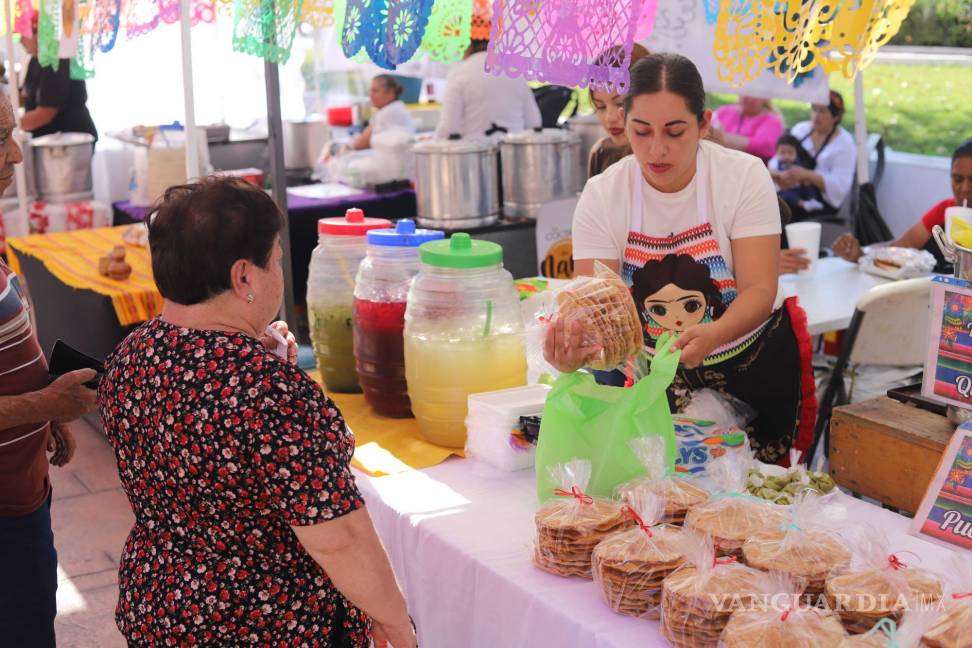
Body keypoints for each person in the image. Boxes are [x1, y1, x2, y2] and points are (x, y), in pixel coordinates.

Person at [98, 177, 416, 647]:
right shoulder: (268, 393)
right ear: (243, 277)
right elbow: (337, 535)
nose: (279, 275)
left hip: (160, 607)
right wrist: (391, 617)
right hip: (265, 624)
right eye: (277, 262)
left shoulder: (130, 353)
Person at [547, 53, 815, 464]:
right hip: (648, 375)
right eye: (641, 132)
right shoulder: (604, 195)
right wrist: (575, 349)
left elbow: (760, 288)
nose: (657, 150)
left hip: (748, 368)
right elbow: (596, 313)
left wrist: (715, 332)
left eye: (675, 132)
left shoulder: (742, 176)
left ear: (704, 124)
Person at [0, 92, 99, 646]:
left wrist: (46, 415)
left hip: (24, 496)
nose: (16, 155)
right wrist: (43, 406)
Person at [833, 139, 972, 270]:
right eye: (958, 179)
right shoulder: (945, 211)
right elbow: (901, 248)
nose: (965, 188)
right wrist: (859, 254)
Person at [770, 90, 855, 223]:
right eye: (814, 109)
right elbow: (777, 158)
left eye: (823, 111)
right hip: (790, 189)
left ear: (836, 117)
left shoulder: (845, 143)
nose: (816, 115)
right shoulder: (800, 130)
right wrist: (781, 176)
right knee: (769, 205)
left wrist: (808, 175)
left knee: (784, 213)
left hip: (820, 200)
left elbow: (840, 187)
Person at [434, 40, 542, 139]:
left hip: (475, 155)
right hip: (513, 153)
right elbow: (534, 122)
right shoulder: (514, 72)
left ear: (467, 45)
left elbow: (449, 129)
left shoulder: (458, 73)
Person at [19, 15, 98, 140]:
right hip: (48, 140)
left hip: (69, 141)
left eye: (23, 35)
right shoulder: (35, 60)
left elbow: (45, 114)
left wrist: (8, 126)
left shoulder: (57, 59)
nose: (21, 42)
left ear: (38, 33)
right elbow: (23, 96)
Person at [587, 44, 651, 177]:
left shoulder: (682, 152)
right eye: (601, 107)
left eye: (620, 104)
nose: (609, 118)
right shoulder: (602, 153)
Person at [346, 74, 415, 152]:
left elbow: (360, 144)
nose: (370, 95)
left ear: (390, 93)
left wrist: (347, 145)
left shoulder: (388, 112)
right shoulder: (395, 107)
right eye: (370, 91)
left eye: (375, 91)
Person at [711, 95, 784, 163]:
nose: (746, 97)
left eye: (752, 94)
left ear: (764, 98)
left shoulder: (772, 121)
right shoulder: (725, 111)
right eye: (743, 91)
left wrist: (720, 137)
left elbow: (763, 148)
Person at [771, 133, 824, 213]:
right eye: (782, 152)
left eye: (790, 153)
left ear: (796, 153)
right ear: (777, 152)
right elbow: (770, 173)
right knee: (786, 196)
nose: (786, 156)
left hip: (799, 187)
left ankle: (812, 200)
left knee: (810, 188)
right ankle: (803, 204)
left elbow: (804, 174)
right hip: (786, 190)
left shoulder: (799, 162)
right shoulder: (774, 162)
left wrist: (805, 179)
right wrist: (780, 174)